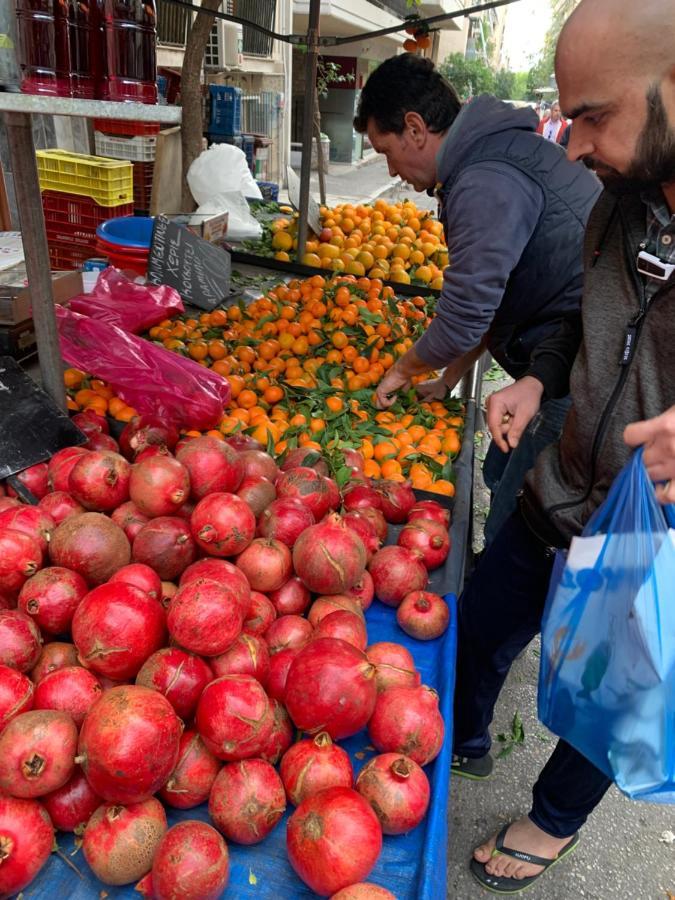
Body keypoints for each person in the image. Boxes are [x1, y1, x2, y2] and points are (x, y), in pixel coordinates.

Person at [454, 0, 675, 892]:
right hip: (562, 482)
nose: (574, 145)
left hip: (651, 530)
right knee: (478, 619)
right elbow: (586, 326)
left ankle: (551, 820)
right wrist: (538, 377)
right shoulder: (617, 207)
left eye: (595, 113)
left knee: (610, 691)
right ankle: (460, 739)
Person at [352, 55, 600, 544]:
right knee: (497, 472)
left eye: (385, 151)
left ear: (416, 128)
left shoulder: (486, 179)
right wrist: (446, 380)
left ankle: (493, 601)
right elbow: (491, 301)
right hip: (552, 359)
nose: (392, 170)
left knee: (521, 520)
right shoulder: (488, 158)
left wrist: (403, 370)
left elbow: (466, 314)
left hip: (574, 369)